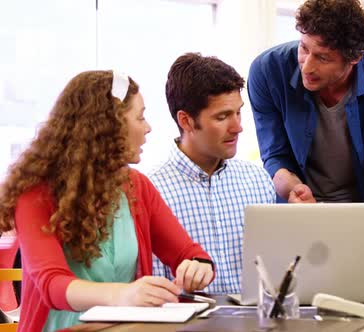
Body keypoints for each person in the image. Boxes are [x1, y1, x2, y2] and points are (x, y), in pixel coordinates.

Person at [0, 71, 214, 331]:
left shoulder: (138, 187)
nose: (148, 128)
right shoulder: (35, 194)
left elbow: (188, 254)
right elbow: (51, 284)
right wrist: (123, 295)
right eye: (140, 117)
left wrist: (197, 267)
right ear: (108, 126)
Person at [248, 0, 364, 203]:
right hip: (294, 205)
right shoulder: (268, 72)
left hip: (358, 210)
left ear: (355, 58)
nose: (307, 67)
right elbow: (274, 155)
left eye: (323, 58)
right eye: (304, 48)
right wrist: (294, 190)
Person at [149, 53, 275, 294]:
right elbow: (155, 291)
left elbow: (273, 275)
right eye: (223, 116)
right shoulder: (153, 191)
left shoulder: (258, 181)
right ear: (186, 121)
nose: (238, 127)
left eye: (238, 112)